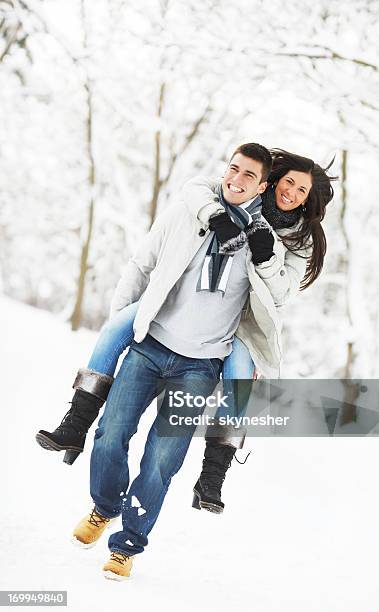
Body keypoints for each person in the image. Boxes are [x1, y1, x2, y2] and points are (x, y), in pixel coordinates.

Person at [36, 146, 336, 519]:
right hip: (167, 322)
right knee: (117, 332)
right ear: (270, 182)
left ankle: (213, 474)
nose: (290, 192)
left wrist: (266, 256)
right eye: (287, 182)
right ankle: (77, 423)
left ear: (308, 202)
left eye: (301, 191)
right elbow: (197, 187)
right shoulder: (230, 195)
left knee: (239, 379)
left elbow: (281, 295)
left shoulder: (296, 239)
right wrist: (216, 215)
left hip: (234, 327)